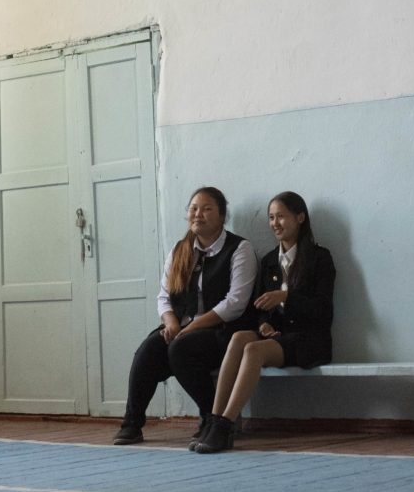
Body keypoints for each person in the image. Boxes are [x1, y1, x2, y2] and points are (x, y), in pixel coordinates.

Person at [112, 186, 257, 445]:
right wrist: (170, 323)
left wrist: (189, 329)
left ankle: (213, 417)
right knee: (149, 350)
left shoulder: (239, 249)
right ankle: (132, 423)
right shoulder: (180, 250)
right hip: (182, 330)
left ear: (222, 216)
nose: (197, 214)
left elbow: (235, 303)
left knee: (181, 348)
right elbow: (164, 296)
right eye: (193, 209)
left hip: (223, 333)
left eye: (206, 209)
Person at [194, 190, 335, 454]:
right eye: (271, 218)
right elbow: (261, 309)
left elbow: (323, 311)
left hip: (310, 340)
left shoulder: (320, 258)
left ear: (300, 218)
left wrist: (286, 297)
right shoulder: (270, 260)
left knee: (253, 349)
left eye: (281, 217)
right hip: (279, 337)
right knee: (239, 338)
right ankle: (214, 421)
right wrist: (263, 325)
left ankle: (225, 426)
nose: (275, 224)